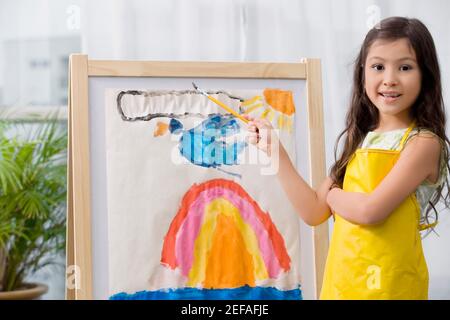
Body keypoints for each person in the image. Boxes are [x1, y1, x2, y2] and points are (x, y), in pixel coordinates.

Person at [246, 16, 449, 300]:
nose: (389, 79)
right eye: (378, 67)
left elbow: (370, 211)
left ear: (425, 75)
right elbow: (314, 211)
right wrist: (274, 150)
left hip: (392, 289)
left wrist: (333, 197)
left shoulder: (423, 143)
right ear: (362, 73)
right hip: (342, 287)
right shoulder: (360, 140)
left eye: (405, 67)